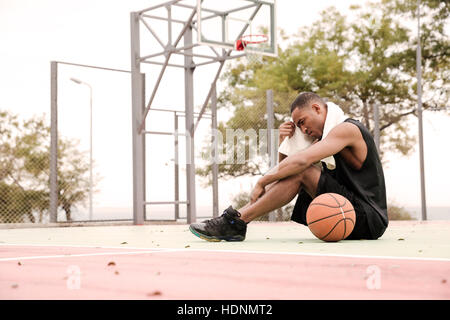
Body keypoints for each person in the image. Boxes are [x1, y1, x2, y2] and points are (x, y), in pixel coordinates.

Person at [189, 92, 388, 241]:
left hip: (368, 218)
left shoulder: (346, 129)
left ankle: (236, 222)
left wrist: (263, 180)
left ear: (317, 109)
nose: (303, 129)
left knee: (304, 170)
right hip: (347, 209)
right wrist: (284, 143)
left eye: (302, 122)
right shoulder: (326, 137)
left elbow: (301, 163)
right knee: (299, 171)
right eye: (299, 126)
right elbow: (287, 169)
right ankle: (235, 220)